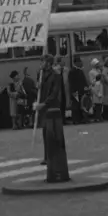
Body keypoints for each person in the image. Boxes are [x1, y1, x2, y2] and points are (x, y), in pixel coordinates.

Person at [36, 54, 70, 182]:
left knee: (51, 132)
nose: (41, 64)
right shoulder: (40, 74)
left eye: (43, 61)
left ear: (48, 63)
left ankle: (52, 156)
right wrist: (38, 86)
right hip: (44, 106)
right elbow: (40, 90)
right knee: (45, 132)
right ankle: (46, 155)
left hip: (51, 107)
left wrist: (44, 103)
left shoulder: (55, 75)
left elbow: (55, 92)